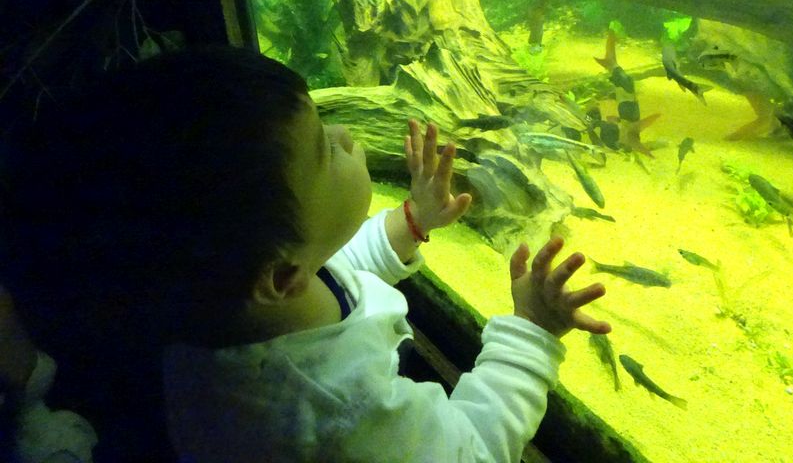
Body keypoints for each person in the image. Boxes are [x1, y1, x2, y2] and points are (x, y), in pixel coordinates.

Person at [1, 46, 610, 462]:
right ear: (280, 275)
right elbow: (474, 449)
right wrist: (530, 333)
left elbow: (338, 269)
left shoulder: (226, 309)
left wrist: (410, 224)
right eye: (324, 148)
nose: (347, 136)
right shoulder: (341, 412)